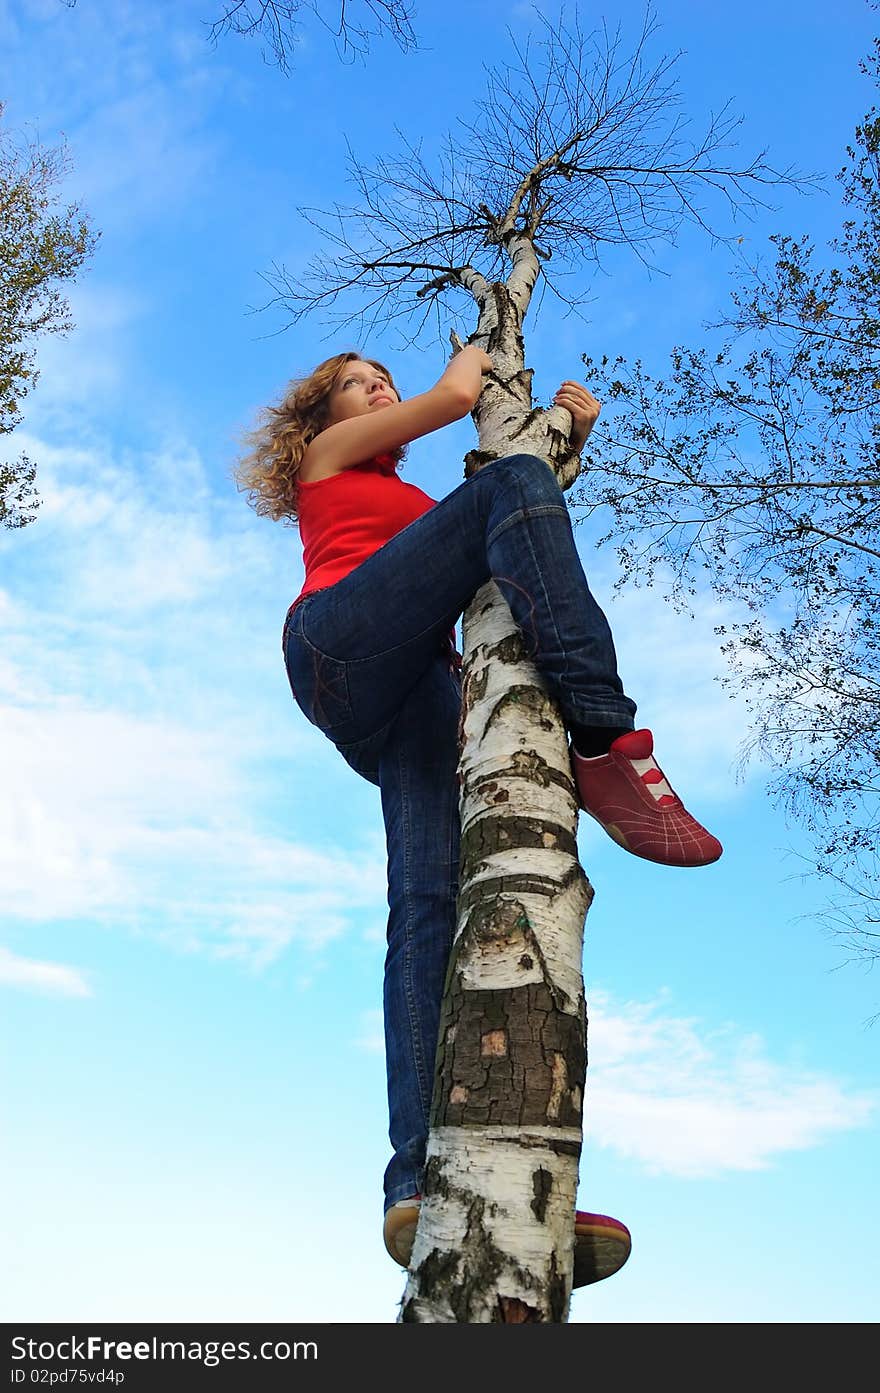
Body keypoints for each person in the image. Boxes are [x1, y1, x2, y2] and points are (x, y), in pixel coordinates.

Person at [237, 345, 722, 1287]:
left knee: (427, 907)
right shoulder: (327, 461)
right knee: (512, 482)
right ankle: (610, 741)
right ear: (320, 408)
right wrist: (478, 365)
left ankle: (436, 1181)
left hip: (420, 686)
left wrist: (564, 440)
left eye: (383, 377)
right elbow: (463, 400)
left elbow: (515, 551)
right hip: (338, 641)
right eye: (357, 380)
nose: (378, 387)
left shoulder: (422, 512)